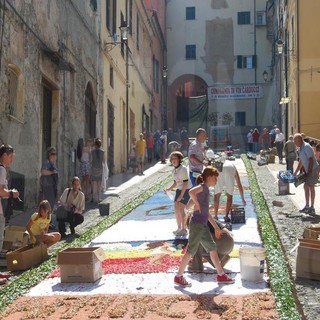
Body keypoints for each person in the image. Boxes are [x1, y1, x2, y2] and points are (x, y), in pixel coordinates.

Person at [174, 166, 234, 287]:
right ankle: (179, 276)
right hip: (197, 225)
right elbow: (191, 192)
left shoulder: (206, 190)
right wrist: (197, 203)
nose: (216, 181)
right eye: (215, 178)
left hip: (202, 225)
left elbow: (207, 214)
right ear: (210, 177)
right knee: (190, 252)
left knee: (212, 249)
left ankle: (220, 275)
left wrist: (216, 228)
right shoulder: (202, 187)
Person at [0, 144, 19, 285]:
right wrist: (12, 193)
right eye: (11, 156)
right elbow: (0, 191)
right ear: (4, 155)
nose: (12, 159)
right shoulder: (1, 170)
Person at [165, 151, 192, 237]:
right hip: (179, 190)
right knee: (176, 208)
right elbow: (176, 182)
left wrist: (181, 195)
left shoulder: (183, 169)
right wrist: (169, 188)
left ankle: (184, 229)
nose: (173, 160)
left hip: (186, 190)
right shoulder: (174, 170)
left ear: (179, 159)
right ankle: (179, 228)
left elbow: (185, 183)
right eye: (172, 159)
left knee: (181, 209)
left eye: (175, 158)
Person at [293, 133, 319, 215]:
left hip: (313, 169)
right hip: (308, 170)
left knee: (310, 186)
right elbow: (301, 161)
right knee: (307, 186)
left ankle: (311, 207)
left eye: (295, 141)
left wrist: (309, 172)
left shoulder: (307, 146)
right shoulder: (300, 148)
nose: (294, 143)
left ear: (300, 140)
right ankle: (308, 206)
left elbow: (311, 160)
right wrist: (296, 171)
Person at [91, 138, 105, 203]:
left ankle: (94, 197)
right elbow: (104, 161)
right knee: (99, 183)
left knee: (94, 184)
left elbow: (91, 160)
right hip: (100, 169)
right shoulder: (102, 152)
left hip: (94, 168)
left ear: (95, 145)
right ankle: (99, 197)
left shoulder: (92, 152)